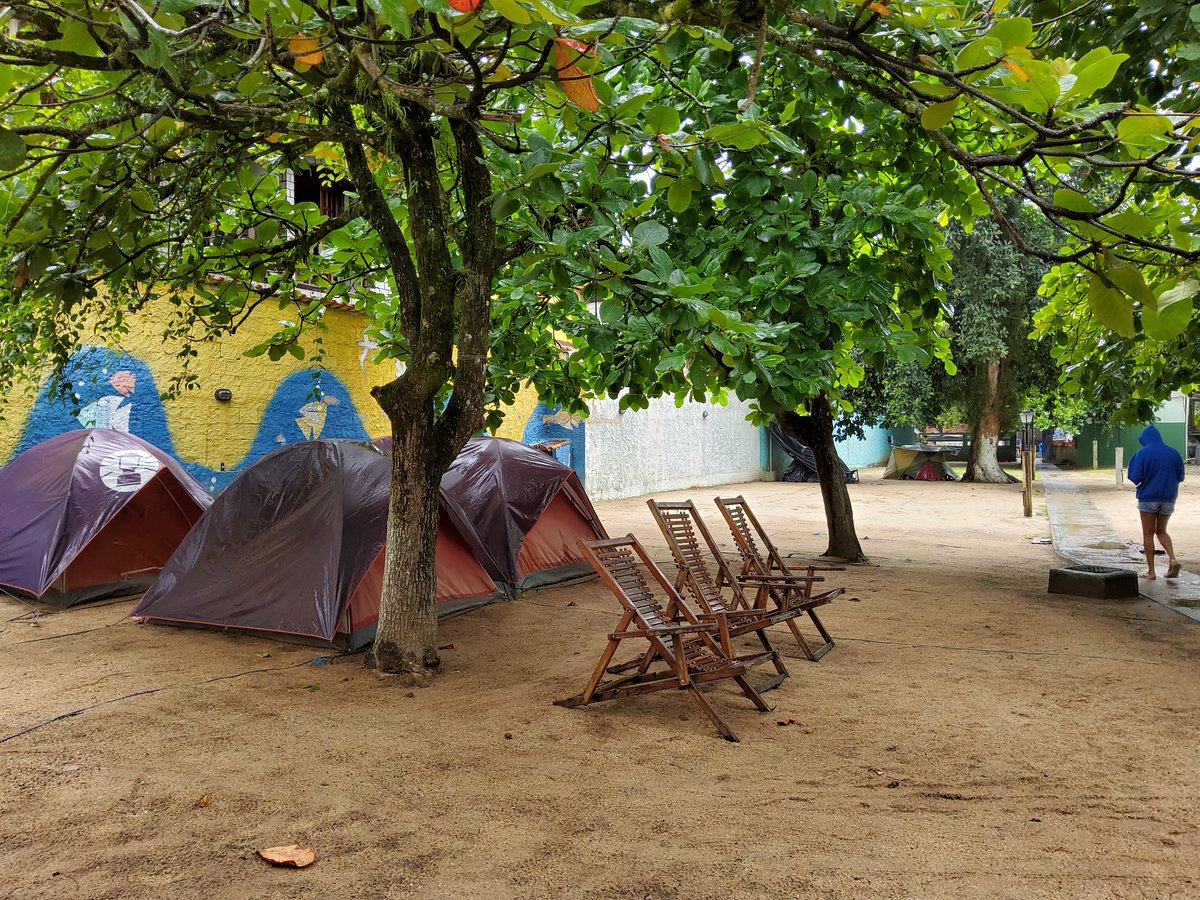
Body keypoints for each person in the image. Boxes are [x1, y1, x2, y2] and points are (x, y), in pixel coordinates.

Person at [1126, 425, 1185, 580]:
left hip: (1149, 498)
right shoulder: (1174, 453)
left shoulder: (1142, 453)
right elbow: (1180, 477)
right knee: (1161, 531)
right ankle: (1172, 559)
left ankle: (1151, 572)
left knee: (1148, 534)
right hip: (1169, 498)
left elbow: (1135, 477)